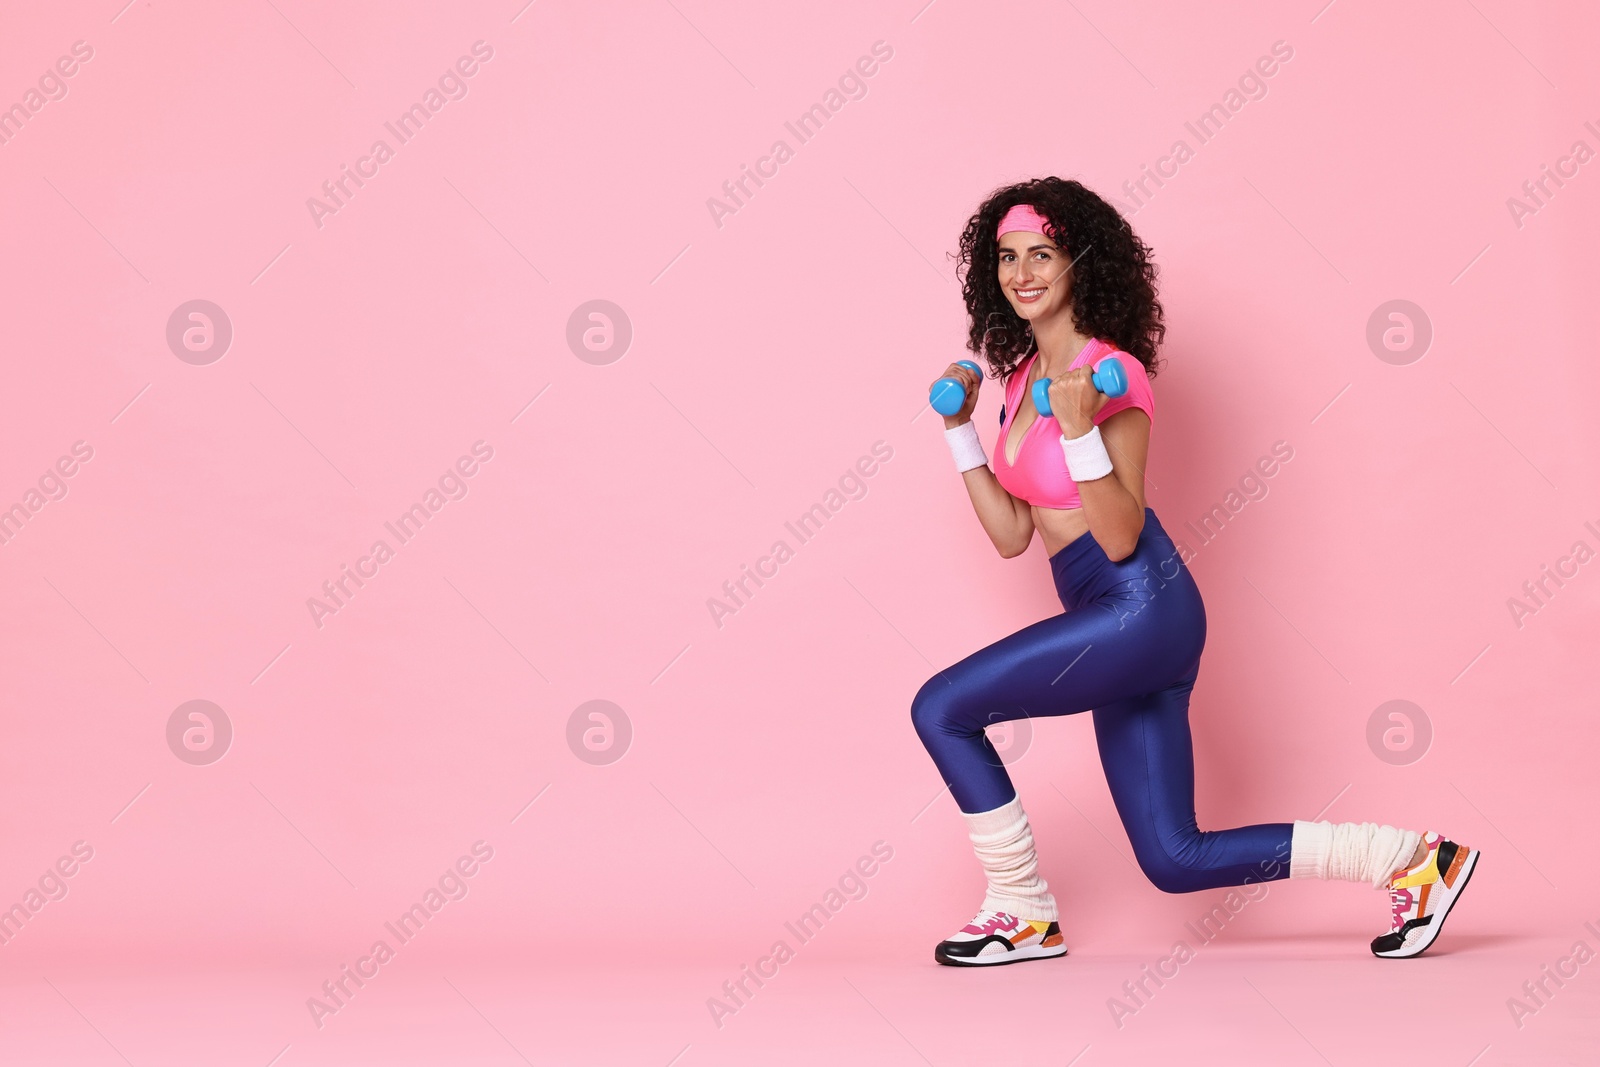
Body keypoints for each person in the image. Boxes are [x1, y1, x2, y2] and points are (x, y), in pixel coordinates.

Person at [914, 177, 1479, 966]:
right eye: (1007, 257)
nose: (1022, 272)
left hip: (1139, 603)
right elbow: (1013, 534)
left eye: (1042, 252)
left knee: (942, 706)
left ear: (1081, 261)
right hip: (1107, 619)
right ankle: (1414, 861)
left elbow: (1116, 535)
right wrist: (958, 432)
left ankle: (1020, 907)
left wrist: (1081, 431)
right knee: (1172, 857)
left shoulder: (1116, 375)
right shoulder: (1014, 383)